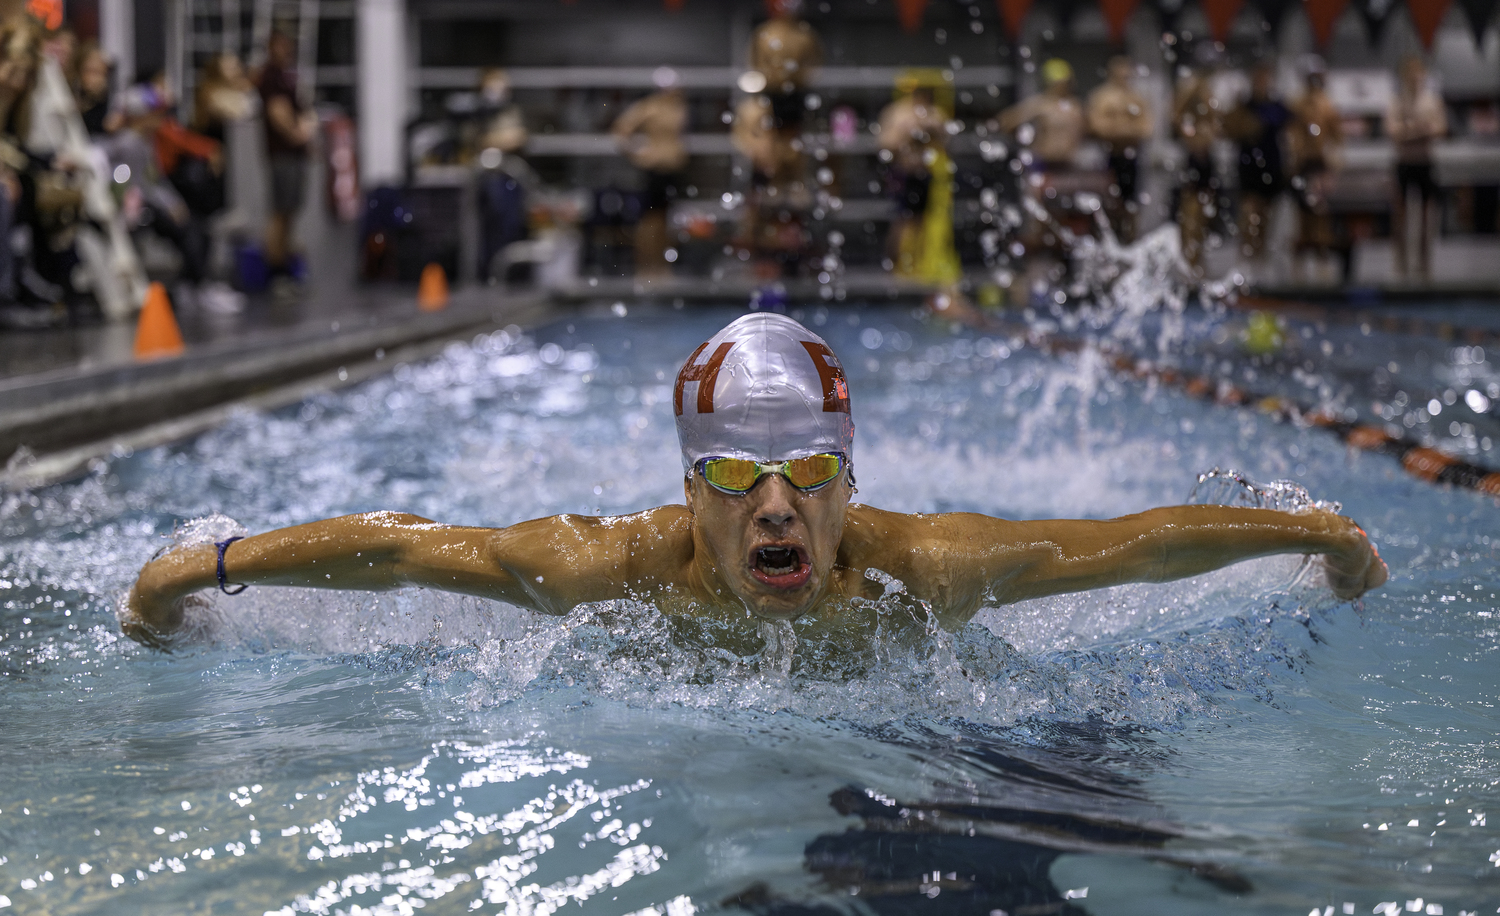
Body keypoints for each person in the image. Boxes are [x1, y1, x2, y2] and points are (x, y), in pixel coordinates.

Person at [123, 312, 1388, 648]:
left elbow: (1139, 540)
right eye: (733, 473)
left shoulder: (926, 568)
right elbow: (400, 546)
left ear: (850, 479)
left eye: (808, 473)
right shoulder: (601, 569)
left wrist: (1316, 531)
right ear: (688, 492)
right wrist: (207, 564)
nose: (774, 505)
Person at [611, 69, 688, 280]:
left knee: (663, 221)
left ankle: (660, 266)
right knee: (649, 221)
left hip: (671, 171)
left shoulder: (677, 107)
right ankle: (646, 266)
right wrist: (637, 155)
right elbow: (621, 129)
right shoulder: (650, 107)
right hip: (655, 170)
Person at [256, 30, 316, 297]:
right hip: (282, 155)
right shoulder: (270, 78)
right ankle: (275, 272)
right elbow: (278, 114)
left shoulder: (288, 77)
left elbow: (304, 110)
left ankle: (287, 268)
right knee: (280, 212)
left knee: (291, 212)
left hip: (294, 155)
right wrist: (297, 136)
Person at [1383, 55, 1446, 282]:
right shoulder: (1396, 100)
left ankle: (1424, 261)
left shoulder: (1431, 100)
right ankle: (1401, 261)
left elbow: (1440, 129)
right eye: (1409, 73)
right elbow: (1393, 132)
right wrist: (1420, 130)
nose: (1413, 78)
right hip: (1404, 163)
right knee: (1400, 216)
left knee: (1425, 217)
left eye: (1417, 73)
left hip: (1424, 162)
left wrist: (1410, 131)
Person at [1224, 63, 1290, 269]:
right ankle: (1246, 255)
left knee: (1265, 216)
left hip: (1271, 165)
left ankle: (1260, 258)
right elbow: (1230, 129)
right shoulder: (1243, 106)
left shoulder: (1277, 106)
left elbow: (1289, 126)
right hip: (1249, 166)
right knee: (1250, 212)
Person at [1086, 57, 1153, 243]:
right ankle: (1109, 239)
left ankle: (1129, 240)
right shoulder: (1101, 97)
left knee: (1131, 203)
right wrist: (1127, 130)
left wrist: (1117, 129)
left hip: (1131, 159)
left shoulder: (1137, 99)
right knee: (1109, 202)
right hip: (1109, 156)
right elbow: (1097, 127)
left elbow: (1146, 129)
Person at [1288, 60, 1344, 282]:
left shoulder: (1326, 106)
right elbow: (1291, 136)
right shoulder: (1298, 105)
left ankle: (1321, 260)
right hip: (1303, 164)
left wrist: (1332, 165)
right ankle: (1300, 264)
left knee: (1320, 215)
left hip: (1319, 164)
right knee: (1302, 216)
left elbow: (1337, 139)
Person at [1172, 67, 1222, 273]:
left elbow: (1217, 125)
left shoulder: (1209, 102)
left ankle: (1198, 259)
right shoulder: (1187, 101)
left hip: (1207, 161)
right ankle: (1188, 260)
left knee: (1205, 215)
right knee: (1189, 214)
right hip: (1192, 160)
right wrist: (1193, 89)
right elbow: (1176, 117)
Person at [68, 41, 120, 137]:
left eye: (100, 72)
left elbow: (107, 126)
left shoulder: (109, 95)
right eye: (90, 71)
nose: (94, 78)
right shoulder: (70, 90)